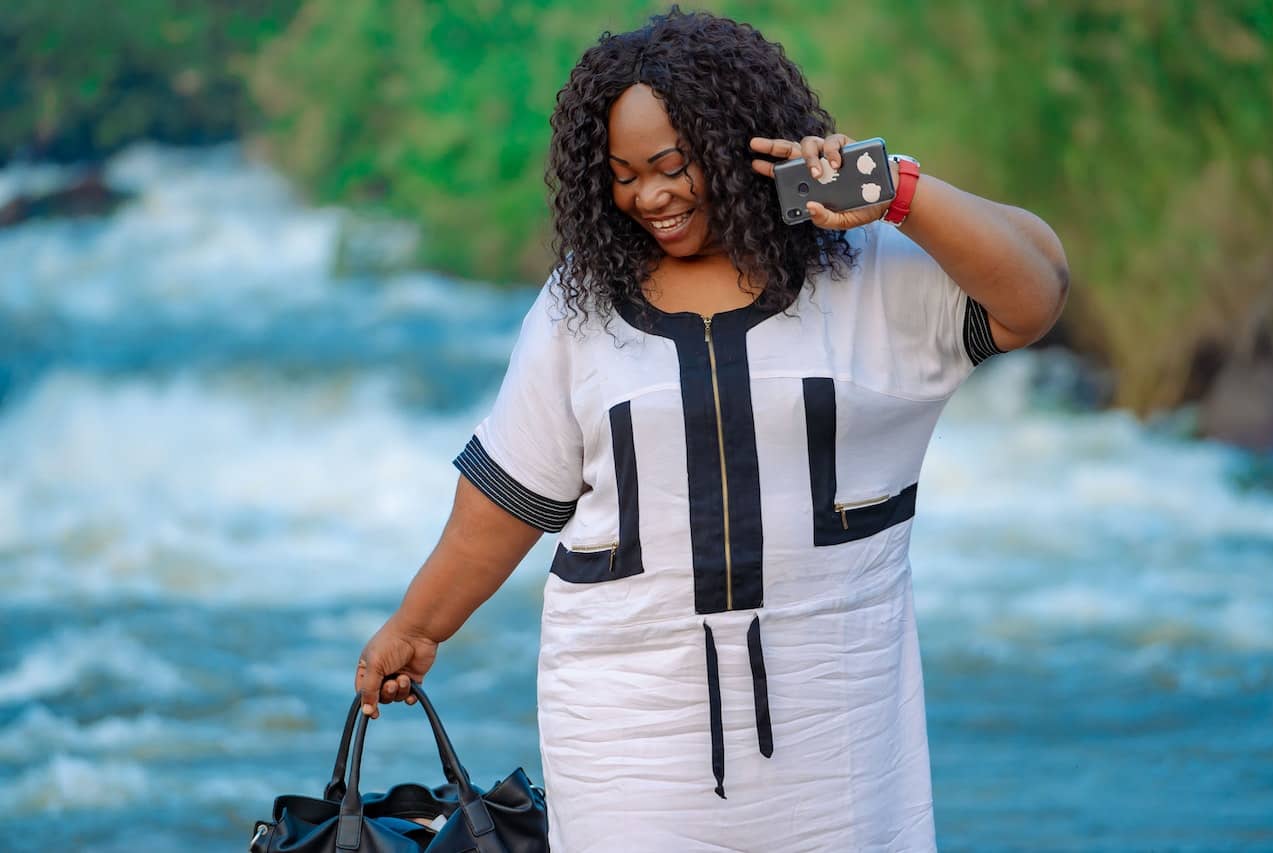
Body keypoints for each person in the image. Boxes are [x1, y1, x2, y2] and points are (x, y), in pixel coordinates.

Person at [355, 8, 1068, 851]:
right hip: (626, 727)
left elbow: (1036, 290)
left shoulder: (866, 276)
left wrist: (893, 192)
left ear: (741, 146)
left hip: (837, 717)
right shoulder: (579, 309)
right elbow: (506, 499)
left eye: (670, 165)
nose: (647, 196)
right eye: (622, 174)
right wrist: (418, 625)